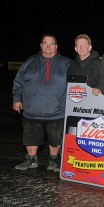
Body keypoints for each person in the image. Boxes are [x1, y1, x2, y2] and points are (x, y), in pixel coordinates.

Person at [12, 33, 71, 172]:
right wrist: (16, 99)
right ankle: (31, 160)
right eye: (45, 43)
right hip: (32, 111)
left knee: (55, 138)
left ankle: (54, 162)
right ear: (41, 45)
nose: (48, 46)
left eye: (51, 43)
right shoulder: (30, 61)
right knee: (31, 137)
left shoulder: (67, 63)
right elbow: (18, 81)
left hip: (57, 112)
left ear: (56, 46)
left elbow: (77, 85)